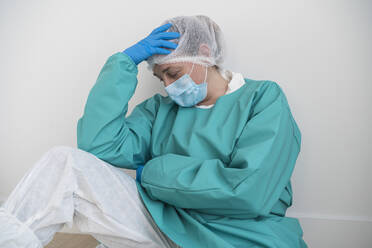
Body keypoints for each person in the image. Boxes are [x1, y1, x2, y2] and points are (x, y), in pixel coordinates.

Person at [0, 15, 308, 248]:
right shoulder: (160, 110)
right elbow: (97, 146)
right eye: (162, 79)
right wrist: (123, 64)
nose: (171, 87)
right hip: (164, 222)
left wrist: (151, 173)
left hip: (236, 237)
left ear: (203, 52)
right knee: (63, 162)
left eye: (173, 73)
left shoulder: (262, 98)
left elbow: (248, 192)